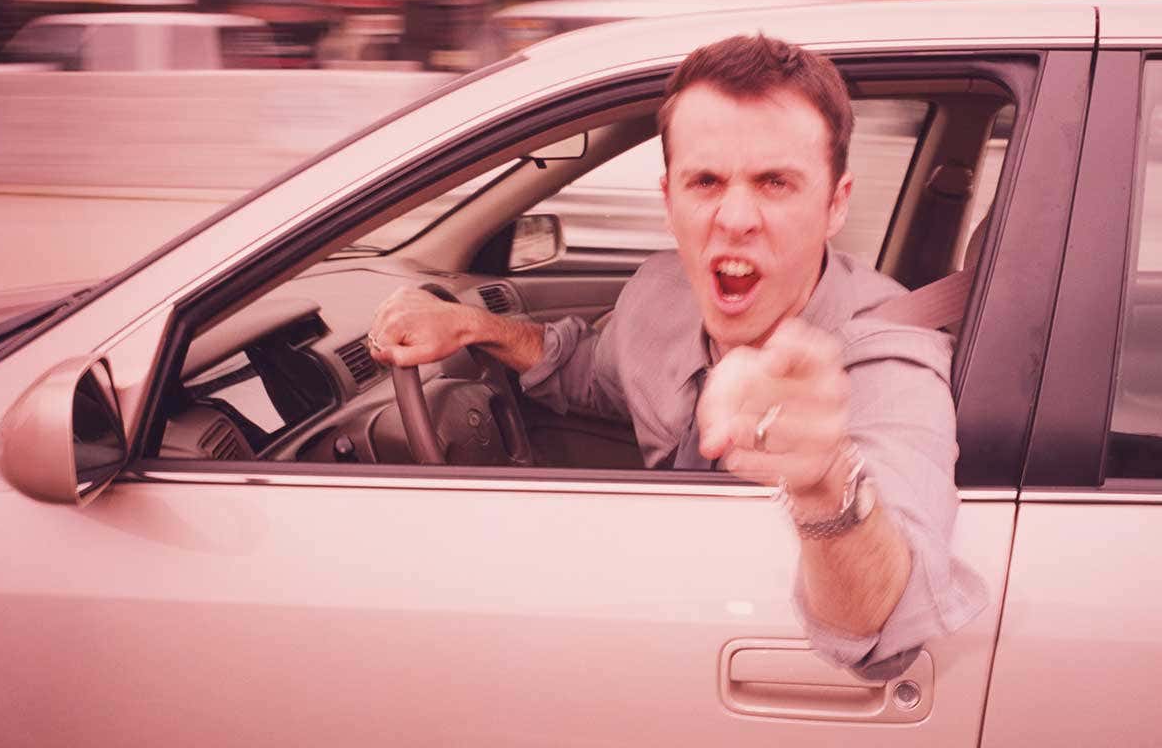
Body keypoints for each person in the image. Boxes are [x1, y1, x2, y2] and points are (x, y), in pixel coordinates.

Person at [367, 34, 987, 678]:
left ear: (835, 204)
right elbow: (586, 371)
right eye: (707, 181)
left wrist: (827, 480)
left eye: (775, 182)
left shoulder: (889, 361)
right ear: (669, 200)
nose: (735, 217)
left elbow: (887, 625)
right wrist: (473, 327)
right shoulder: (658, 296)